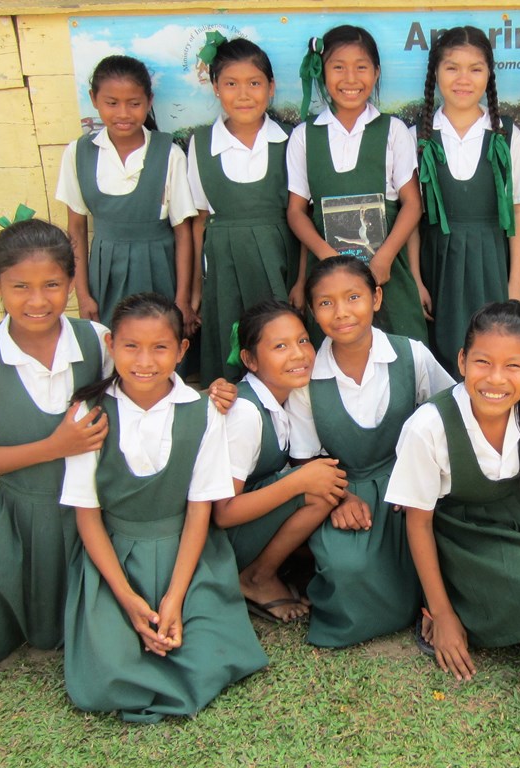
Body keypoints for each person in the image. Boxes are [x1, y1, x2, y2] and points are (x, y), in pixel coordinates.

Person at [61, 293, 266, 722]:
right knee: (106, 674)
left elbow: (198, 511)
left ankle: (181, 624)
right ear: (110, 346)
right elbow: (88, 516)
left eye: (160, 348)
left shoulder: (202, 412)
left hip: (186, 557)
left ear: (182, 350)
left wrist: (173, 598)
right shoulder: (91, 412)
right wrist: (128, 598)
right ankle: (131, 637)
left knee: (213, 655)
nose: (145, 361)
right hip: (115, 561)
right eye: (131, 346)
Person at [386, 301, 520, 679]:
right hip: (454, 537)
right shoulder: (429, 426)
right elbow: (418, 523)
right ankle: (449, 607)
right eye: (483, 362)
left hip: (519, 524)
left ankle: (499, 613)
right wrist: (443, 616)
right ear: (461, 361)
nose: (495, 379)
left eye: (513, 366)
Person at [0, 218, 111, 669]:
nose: (38, 301)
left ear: (73, 282)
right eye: (21, 287)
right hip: (15, 516)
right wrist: (55, 446)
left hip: (90, 512)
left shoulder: (96, 342)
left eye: (53, 284)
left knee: (97, 632)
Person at [287, 256, 455, 647]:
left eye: (353, 297)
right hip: (348, 493)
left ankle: (432, 601)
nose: (341, 312)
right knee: (350, 571)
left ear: (376, 298)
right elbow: (303, 456)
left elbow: (448, 417)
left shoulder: (410, 354)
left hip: (411, 489)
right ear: (312, 311)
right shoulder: (306, 377)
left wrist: (423, 482)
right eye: (326, 303)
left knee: (448, 553)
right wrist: (340, 498)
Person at [286, 25, 428, 342]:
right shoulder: (305, 136)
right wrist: (329, 260)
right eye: (338, 67)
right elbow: (296, 212)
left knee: (400, 350)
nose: (350, 78)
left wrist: (383, 260)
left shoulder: (393, 130)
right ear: (322, 72)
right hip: (327, 276)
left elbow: (412, 204)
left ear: (376, 72)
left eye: (361, 67)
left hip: (388, 270)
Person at [212, 300, 348, 622]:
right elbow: (222, 513)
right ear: (250, 360)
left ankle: (273, 568)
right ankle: (256, 577)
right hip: (220, 541)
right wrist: (297, 482)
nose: (299, 354)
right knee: (319, 488)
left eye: (302, 340)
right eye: (280, 346)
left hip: (248, 524)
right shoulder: (245, 413)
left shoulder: (285, 397)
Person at [409, 26, 520, 371]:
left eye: (475, 69)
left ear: (489, 75)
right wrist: (416, 278)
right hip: (438, 265)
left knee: (491, 349)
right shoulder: (417, 135)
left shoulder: (506, 136)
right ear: (435, 73)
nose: (463, 79)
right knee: (442, 354)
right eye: (452, 68)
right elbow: (412, 216)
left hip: (491, 260)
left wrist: (515, 282)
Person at [188, 37, 302, 385]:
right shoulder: (201, 144)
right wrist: (197, 290)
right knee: (231, 347)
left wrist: (300, 280)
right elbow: (199, 222)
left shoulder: (290, 139)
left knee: (282, 341)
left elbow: (303, 214)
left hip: (278, 260)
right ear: (215, 88)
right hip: (224, 266)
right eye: (231, 84)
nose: (243, 94)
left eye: (254, 83)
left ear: (271, 88)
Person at [57, 55, 198, 335]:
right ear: (94, 99)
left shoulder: (168, 154)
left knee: (161, 344)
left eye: (134, 104)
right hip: (105, 273)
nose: (123, 113)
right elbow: (76, 228)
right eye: (112, 103)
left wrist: (182, 298)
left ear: (149, 101)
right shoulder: (78, 153)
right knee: (111, 347)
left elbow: (183, 231)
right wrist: (83, 295)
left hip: (160, 270)